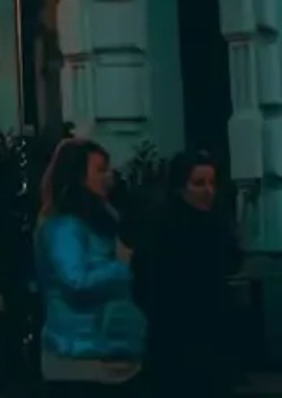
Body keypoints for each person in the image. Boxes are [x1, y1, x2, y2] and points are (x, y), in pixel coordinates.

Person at [35, 137, 146, 386]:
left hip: (105, 353)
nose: (109, 177)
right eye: (99, 170)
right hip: (76, 359)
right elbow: (76, 280)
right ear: (78, 176)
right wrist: (122, 267)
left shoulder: (98, 221)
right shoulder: (63, 227)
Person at [137, 149, 240, 396]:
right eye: (199, 183)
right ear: (179, 187)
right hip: (175, 341)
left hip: (213, 340)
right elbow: (147, 283)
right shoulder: (162, 228)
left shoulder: (217, 223)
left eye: (212, 183)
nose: (208, 191)